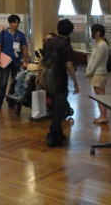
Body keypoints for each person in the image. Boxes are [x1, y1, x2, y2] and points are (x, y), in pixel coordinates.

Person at [42, 19, 79, 147]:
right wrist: (76, 83)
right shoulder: (66, 45)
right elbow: (69, 65)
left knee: (55, 105)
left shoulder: (49, 42)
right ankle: (53, 136)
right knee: (59, 107)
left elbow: (44, 58)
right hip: (59, 79)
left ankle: (58, 132)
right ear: (70, 31)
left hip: (47, 77)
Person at [0, 14, 28, 111]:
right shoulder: (3, 33)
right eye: (14, 22)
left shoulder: (21, 35)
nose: (16, 24)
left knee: (15, 82)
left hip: (16, 61)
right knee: (3, 82)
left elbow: (24, 48)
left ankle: (11, 102)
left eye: (17, 22)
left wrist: (24, 60)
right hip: (5, 61)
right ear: (10, 23)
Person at [86, 24, 109, 124]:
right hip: (95, 73)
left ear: (98, 33)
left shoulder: (102, 45)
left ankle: (104, 116)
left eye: (93, 32)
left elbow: (97, 61)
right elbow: (92, 57)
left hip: (100, 73)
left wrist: (90, 72)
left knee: (100, 95)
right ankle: (102, 115)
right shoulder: (96, 43)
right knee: (98, 95)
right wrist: (88, 69)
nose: (91, 34)